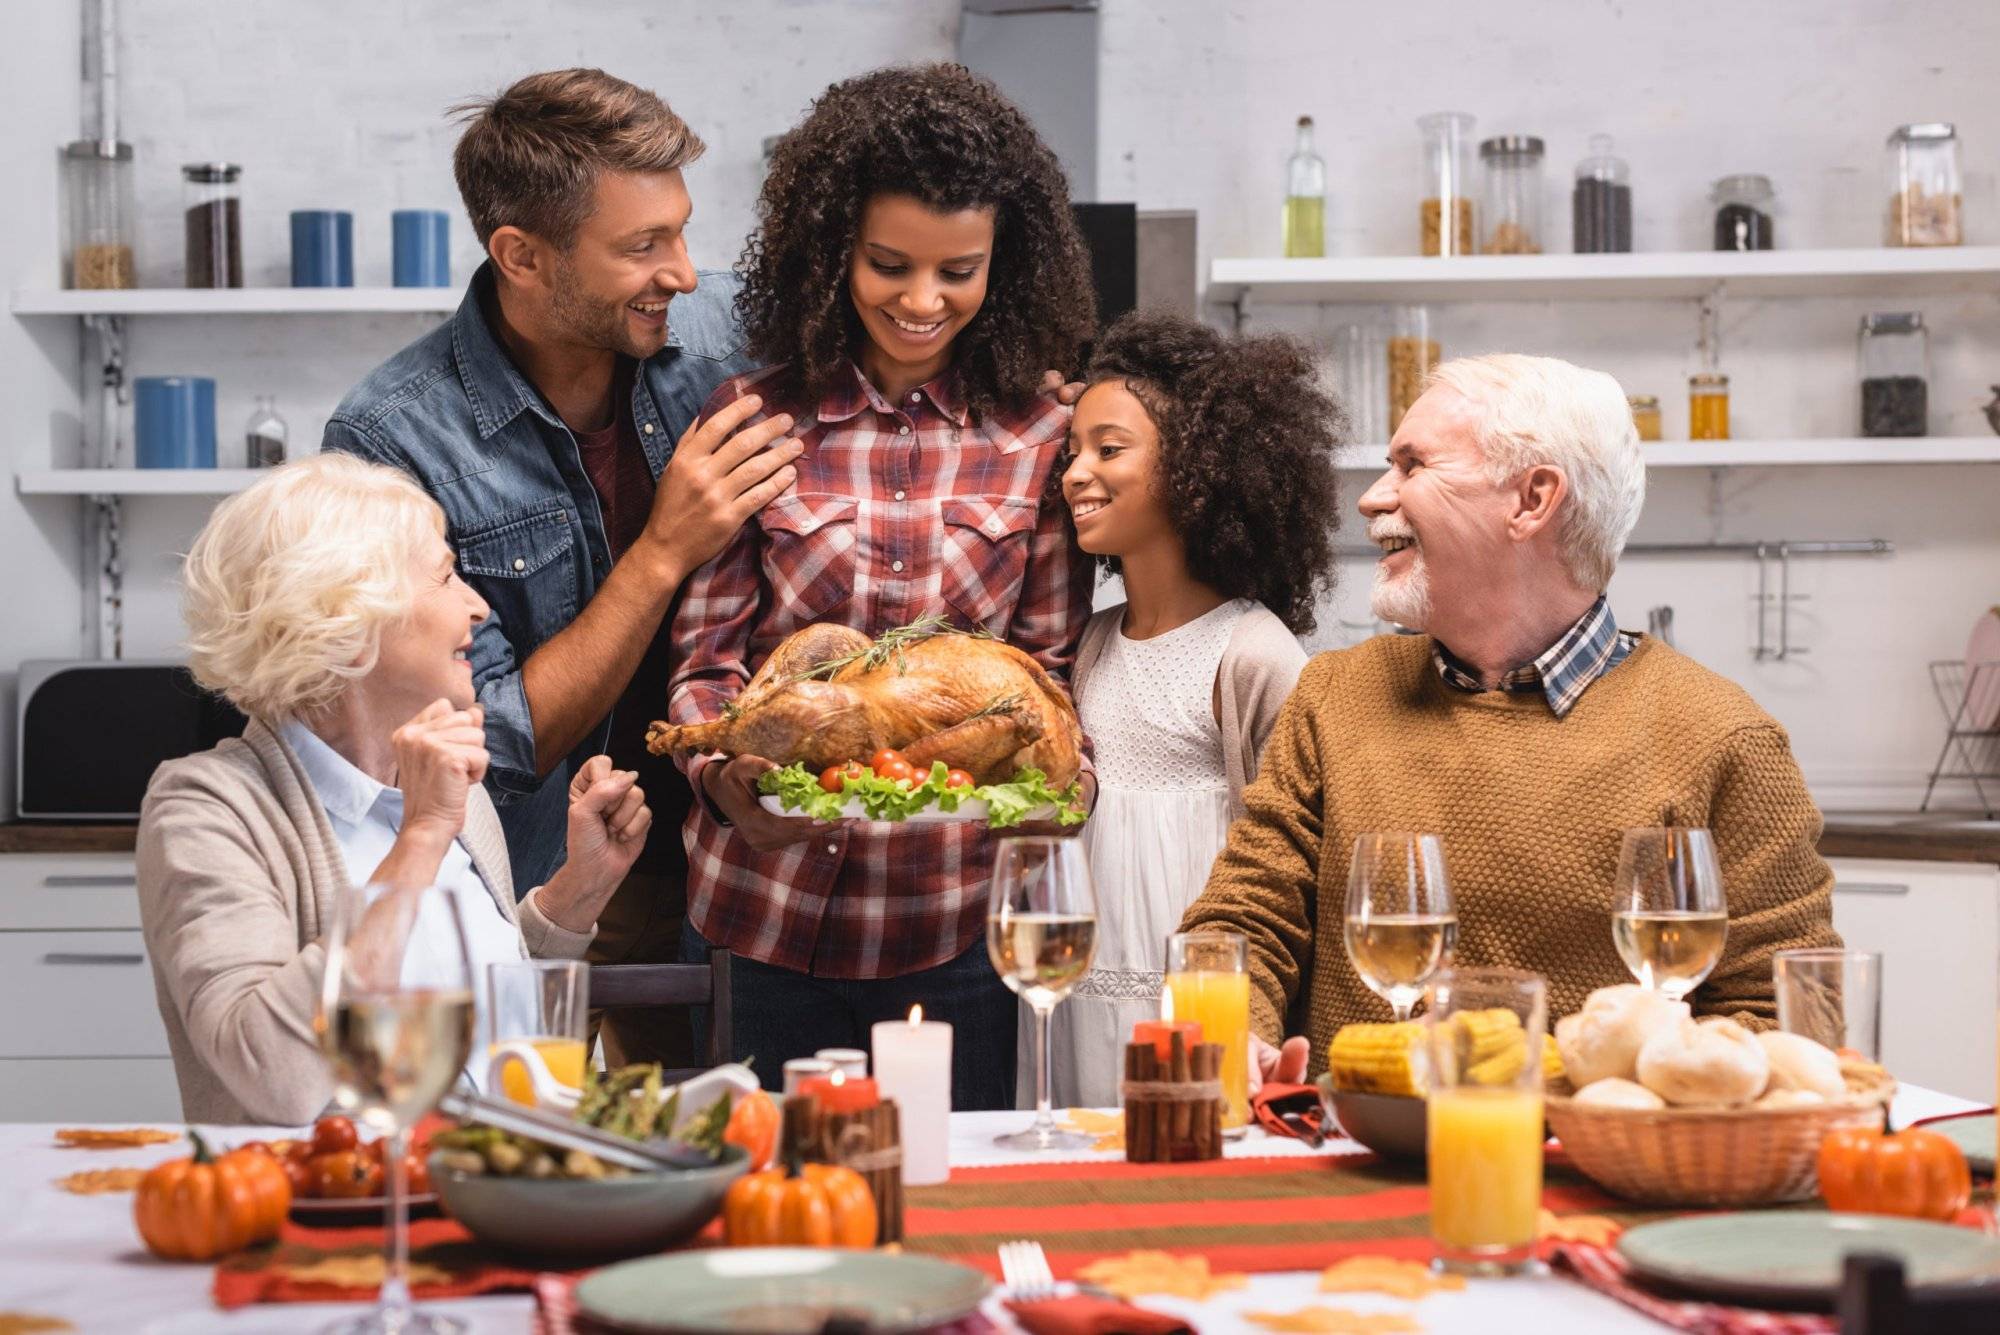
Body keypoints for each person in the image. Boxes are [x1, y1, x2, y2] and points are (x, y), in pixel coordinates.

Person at [1176, 353, 1843, 1089]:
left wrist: (1560, 1080)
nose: (1372, 499)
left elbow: (1787, 1016)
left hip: (1584, 1180)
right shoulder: (1334, 694)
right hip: (1347, 1163)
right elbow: (1245, 915)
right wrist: (1228, 1027)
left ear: (1531, 499)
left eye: (1412, 465)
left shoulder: (1725, 740)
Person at [324, 69, 802, 1068]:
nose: (682, 271)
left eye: (678, 230)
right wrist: (663, 548)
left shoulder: (720, 335)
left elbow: (906, 350)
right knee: (549, 1158)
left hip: (740, 860)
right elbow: (490, 743)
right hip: (547, 884)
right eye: (642, 247)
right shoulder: (390, 439)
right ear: (521, 256)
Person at [663, 63, 1098, 1111]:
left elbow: (1040, 674)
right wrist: (726, 785)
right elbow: (706, 662)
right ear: (830, 250)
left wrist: (1061, 785)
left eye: (959, 271)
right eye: (887, 264)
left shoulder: (1040, 434)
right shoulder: (751, 418)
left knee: (958, 1205)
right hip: (770, 912)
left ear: (1008, 263)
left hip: (961, 917)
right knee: (783, 1221)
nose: (921, 301)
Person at [137, 455, 650, 1125]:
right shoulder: (208, 808)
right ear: (347, 624)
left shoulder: (452, 794)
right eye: (444, 576)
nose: (478, 604)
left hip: (493, 1194)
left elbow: (486, 1022)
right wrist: (421, 838)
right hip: (339, 1215)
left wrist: (578, 891)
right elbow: (275, 1077)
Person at [1041, 313, 1341, 1108]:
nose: (1077, 473)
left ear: (1198, 464)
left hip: (1204, 999)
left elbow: (1294, 861)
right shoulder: (1091, 643)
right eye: (1072, 451)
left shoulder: (1254, 652)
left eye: (1109, 449)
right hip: (1083, 989)